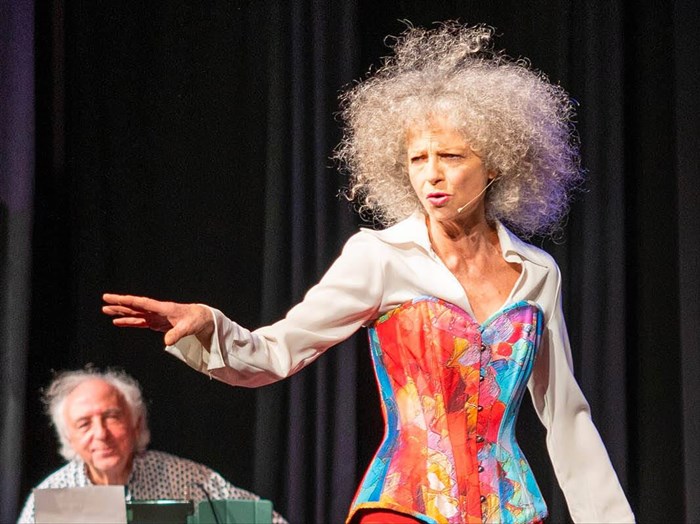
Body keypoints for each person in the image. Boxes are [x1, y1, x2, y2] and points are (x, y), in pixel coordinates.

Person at [102, 22, 635, 524]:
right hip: (404, 509)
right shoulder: (380, 256)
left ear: (495, 163)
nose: (431, 175)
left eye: (451, 156)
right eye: (418, 158)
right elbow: (276, 352)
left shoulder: (537, 273)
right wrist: (208, 326)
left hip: (509, 509)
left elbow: (566, 416)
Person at [17, 368, 287, 524]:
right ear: (69, 438)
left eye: (112, 417)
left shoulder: (186, 480)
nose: (101, 434)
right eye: (84, 424)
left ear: (136, 424)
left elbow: (269, 522)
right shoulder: (53, 498)